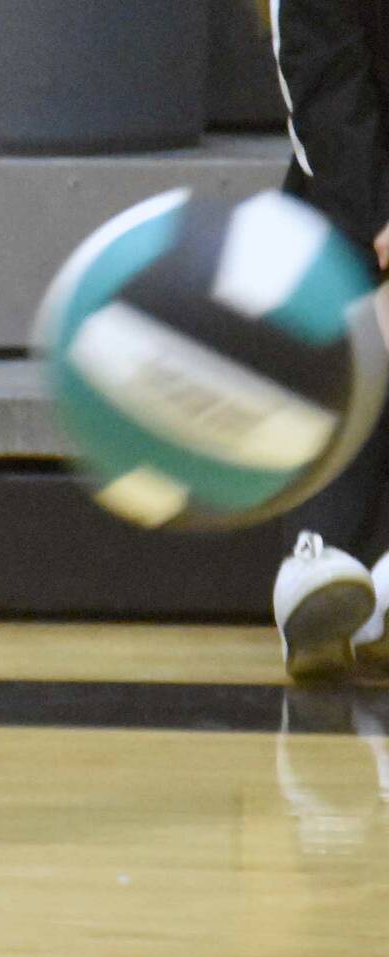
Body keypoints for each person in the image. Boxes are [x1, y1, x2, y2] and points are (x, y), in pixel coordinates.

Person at [268, 0, 389, 681]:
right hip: (355, 192)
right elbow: (321, 76)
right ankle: (319, 564)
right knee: (344, 301)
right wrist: (380, 221)